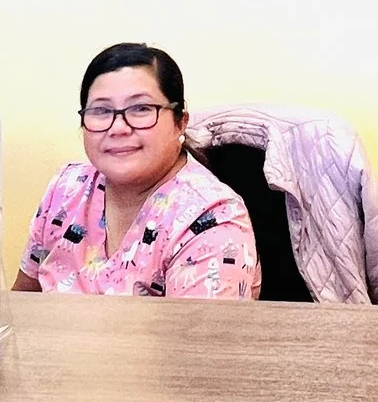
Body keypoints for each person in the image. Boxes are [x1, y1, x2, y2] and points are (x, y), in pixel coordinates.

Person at [15, 42, 259, 300]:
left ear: (180, 122)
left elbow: (198, 340)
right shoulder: (66, 188)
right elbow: (20, 306)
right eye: (101, 110)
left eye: (141, 109)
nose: (118, 128)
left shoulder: (214, 220)